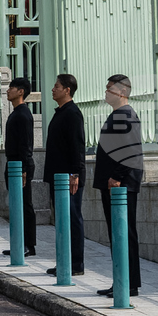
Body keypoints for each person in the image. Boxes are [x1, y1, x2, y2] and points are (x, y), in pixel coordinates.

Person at [93, 74, 143, 298]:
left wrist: (117, 177)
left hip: (121, 185)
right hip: (115, 183)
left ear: (122, 92)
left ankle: (129, 284)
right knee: (117, 234)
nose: (106, 93)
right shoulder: (118, 115)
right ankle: (121, 280)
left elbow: (131, 150)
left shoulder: (126, 115)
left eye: (110, 89)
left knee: (123, 234)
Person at [43, 74, 86, 277]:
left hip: (68, 177)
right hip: (57, 175)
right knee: (61, 219)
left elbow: (77, 145)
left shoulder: (72, 113)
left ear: (67, 90)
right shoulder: (60, 112)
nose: (53, 89)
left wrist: (75, 173)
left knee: (72, 218)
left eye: (56, 86)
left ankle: (76, 263)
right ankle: (63, 260)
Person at [2, 77, 36, 256]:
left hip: (20, 166)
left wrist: (23, 170)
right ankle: (19, 242)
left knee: (24, 205)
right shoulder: (16, 112)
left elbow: (26, 145)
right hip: (13, 163)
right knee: (17, 205)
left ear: (21, 91)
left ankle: (29, 245)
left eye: (12, 88)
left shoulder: (23, 114)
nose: (8, 91)